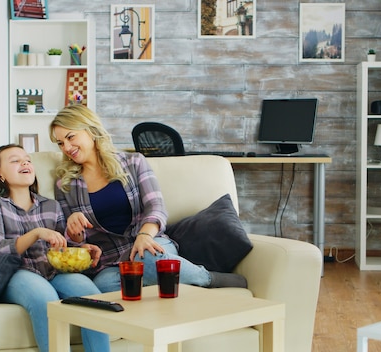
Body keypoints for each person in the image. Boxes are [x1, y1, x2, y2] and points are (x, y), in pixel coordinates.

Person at [48, 104, 247, 293]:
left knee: (148, 260)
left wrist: (144, 236)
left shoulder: (134, 163)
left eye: (70, 137)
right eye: (60, 143)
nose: (66, 147)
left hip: (149, 242)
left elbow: (156, 207)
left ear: (91, 130)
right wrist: (74, 233)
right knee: (104, 286)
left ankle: (208, 279)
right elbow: (73, 241)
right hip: (110, 261)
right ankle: (169, 285)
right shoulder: (65, 184)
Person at [0, 144, 110, 352]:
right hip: (17, 272)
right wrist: (36, 233)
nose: (24, 163)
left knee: (94, 298)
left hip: (54, 270)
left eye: (28, 160)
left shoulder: (51, 205)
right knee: (46, 300)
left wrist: (81, 246)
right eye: (14, 160)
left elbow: (62, 246)